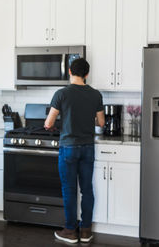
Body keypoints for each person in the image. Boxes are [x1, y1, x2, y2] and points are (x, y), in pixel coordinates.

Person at [44, 58, 105, 244]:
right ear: (87, 74)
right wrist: (87, 120)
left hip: (68, 147)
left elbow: (48, 123)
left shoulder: (61, 94)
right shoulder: (96, 95)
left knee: (69, 190)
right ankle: (86, 231)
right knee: (87, 189)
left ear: (69, 71)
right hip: (88, 147)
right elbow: (101, 123)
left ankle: (70, 231)